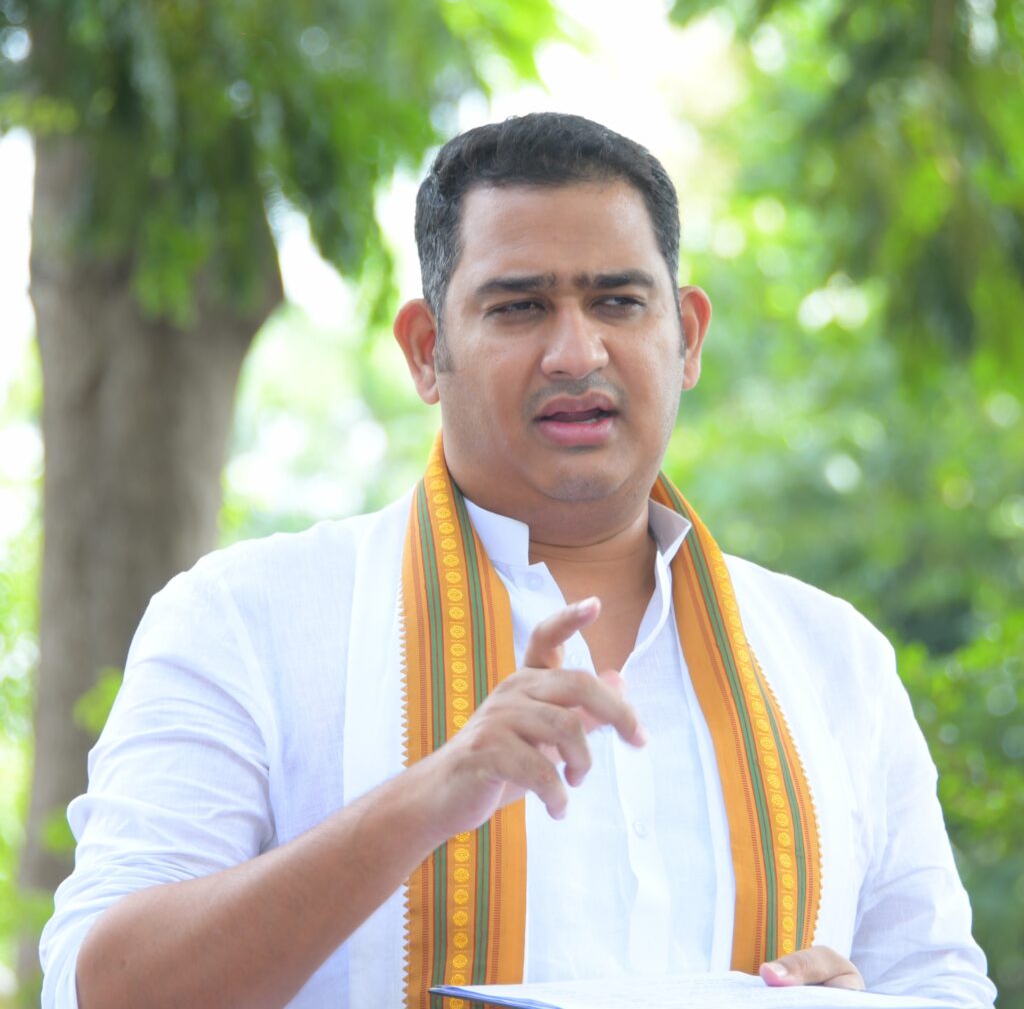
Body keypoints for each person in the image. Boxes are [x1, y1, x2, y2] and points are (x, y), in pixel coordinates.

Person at [40, 113, 995, 1009]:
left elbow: (939, 985)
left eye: (618, 301)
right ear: (427, 350)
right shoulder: (248, 618)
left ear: (688, 338)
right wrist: (426, 798)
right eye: (520, 307)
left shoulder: (833, 657)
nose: (577, 352)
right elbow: (100, 988)